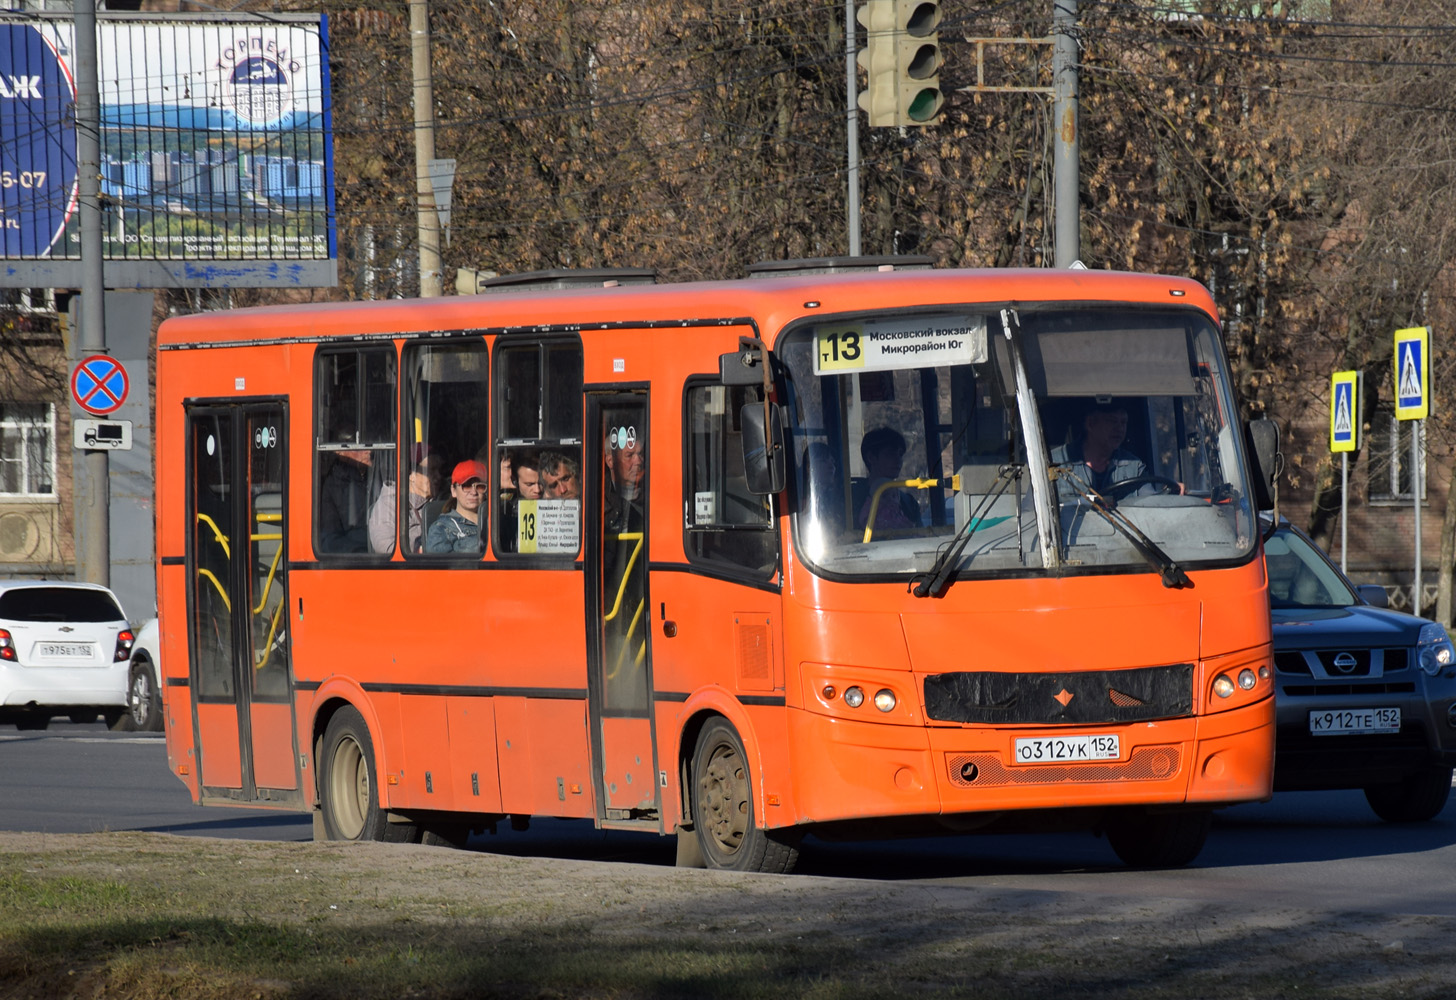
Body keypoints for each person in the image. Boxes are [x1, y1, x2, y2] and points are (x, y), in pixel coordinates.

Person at [1050, 400, 1175, 500]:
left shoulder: (1133, 467)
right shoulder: (1053, 463)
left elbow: (1151, 504)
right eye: (1112, 421)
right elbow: (1031, 515)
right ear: (1091, 424)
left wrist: (1171, 496)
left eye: (1123, 422)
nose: (1120, 429)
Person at [368, 445, 447, 554]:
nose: (438, 476)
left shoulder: (444, 498)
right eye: (432, 470)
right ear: (411, 475)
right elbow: (385, 546)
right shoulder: (389, 504)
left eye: (439, 470)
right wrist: (419, 549)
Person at [854, 427, 921, 531]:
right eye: (890, 454)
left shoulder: (909, 502)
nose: (898, 460)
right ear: (871, 457)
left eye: (900, 454)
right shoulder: (852, 498)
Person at [425, 460, 488, 553]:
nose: (474, 492)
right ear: (453, 491)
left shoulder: (495, 523)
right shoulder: (441, 529)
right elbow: (440, 566)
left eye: (480, 486)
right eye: (466, 486)